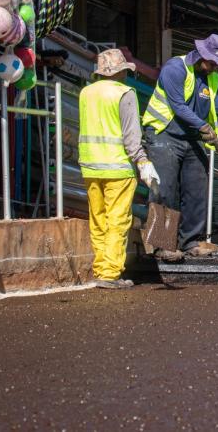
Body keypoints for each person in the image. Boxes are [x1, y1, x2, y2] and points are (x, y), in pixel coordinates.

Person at [142, 35, 218, 258]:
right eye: (213, 62)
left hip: (193, 139)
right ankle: (162, 245)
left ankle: (190, 242)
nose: (215, 68)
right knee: (164, 190)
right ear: (202, 54)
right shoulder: (175, 69)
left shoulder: (214, 79)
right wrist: (203, 126)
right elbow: (178, 106)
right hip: (164, 134)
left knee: (196, 191)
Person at [79, 49, 160, 289]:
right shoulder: (125, 93)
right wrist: (142, 161)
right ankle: (110, 273)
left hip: (90, 166)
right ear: (120, 71)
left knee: (98, 220)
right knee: (117, 220)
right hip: (117, 167)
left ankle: (101, 269)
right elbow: (131, 135)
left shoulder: (86, 92)